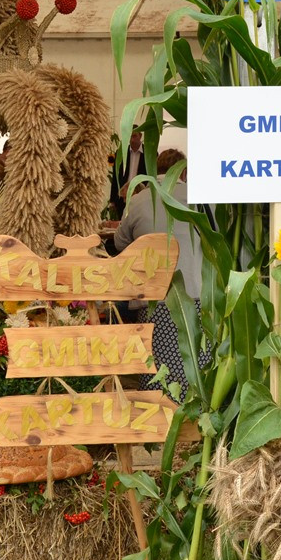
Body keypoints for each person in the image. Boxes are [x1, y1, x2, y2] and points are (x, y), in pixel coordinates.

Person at [114, 148, 206, 400]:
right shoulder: (200, 198)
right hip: (195, 293)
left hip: (153, 298)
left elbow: (120, 243)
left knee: (156, 365)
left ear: (156, 171)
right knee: (195, 360)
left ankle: (154, 415)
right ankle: (194, 415)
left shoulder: (140, 199)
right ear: (184, 172)